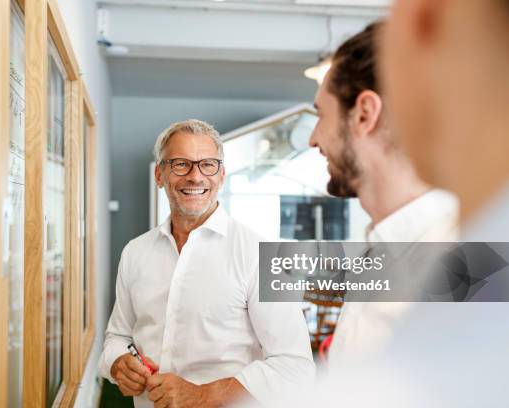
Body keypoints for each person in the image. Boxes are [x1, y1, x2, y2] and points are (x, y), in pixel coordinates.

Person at [98, 119, 315, 408]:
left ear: (221, 175)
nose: (195, 176)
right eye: (180, 164)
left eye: (208, 164)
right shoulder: (135, 252)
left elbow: (295, 366)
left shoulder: (263, 253)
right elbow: (118, 335)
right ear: (159, 175)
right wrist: (117, 362)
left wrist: (202, 395)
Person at [308, 21, 458, 372]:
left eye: (321, 115)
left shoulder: (461, 261)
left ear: (363, 114)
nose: (313, 139)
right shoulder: (381, 253)